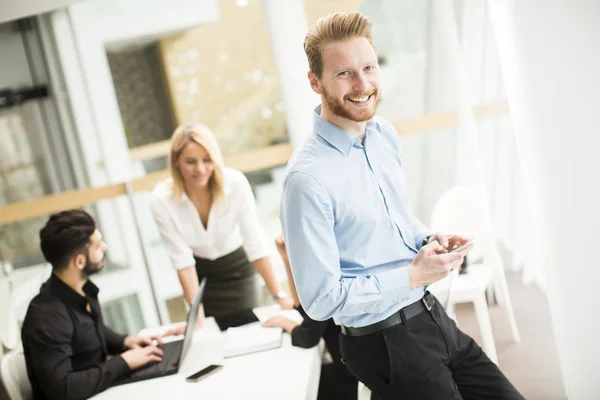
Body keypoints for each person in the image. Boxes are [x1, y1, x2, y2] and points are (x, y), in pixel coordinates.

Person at [279, 11, 525, 400]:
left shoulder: (381, 135)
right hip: (383, 340)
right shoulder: (307, 180)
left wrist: (429, 239)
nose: (363, 84)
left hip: (431, 316)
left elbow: (395, 221)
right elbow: (321, 299)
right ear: (315, 81)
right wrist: (411, 276)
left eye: (369, 67)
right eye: (345, 73)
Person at [150, 123, 294, 319]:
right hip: (201, 277)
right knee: (210, 333)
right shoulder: (161, 200)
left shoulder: (235, 184)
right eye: (191, 161)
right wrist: (196, 315)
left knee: (250, 326)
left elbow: (254, 242)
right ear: (176, 160)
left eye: (207, 160)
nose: (200, 169)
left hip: (238, 269)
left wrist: (278, 295)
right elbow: (181, 259)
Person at [21, 210, 168, 400]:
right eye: (98, 245)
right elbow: (63, 390)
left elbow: (89, 333)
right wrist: (123, 362)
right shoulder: (46, 316)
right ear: (79, 261)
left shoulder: (83, 291)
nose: (105, 247)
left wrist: (124, 342)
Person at [263, 235, 358, 400]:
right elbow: (304, 308)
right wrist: (287, 259)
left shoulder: (326, 277)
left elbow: (307, 337)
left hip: (350, 377)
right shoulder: (335, 260)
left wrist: (286, 323)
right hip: (352, 369)